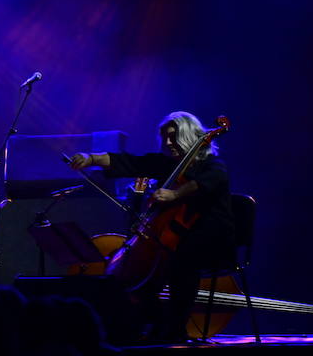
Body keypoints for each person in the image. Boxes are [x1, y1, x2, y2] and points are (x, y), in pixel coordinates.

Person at [69, 111, 233, 343]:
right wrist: (91, 158)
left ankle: (175, 330)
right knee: (142, 269)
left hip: (209, 238)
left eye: (173, 137)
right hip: (173, 241)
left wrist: (175, 193)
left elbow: (210, 181)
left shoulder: (212, 165)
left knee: (181, 262)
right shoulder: (167, 164)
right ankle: (155, 324)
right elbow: (131, 162)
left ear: (189, 136)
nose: (167, 143)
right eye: (164, 138)